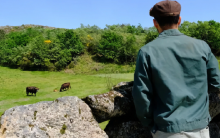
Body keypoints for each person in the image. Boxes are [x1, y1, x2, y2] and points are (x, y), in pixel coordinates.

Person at [132, 0, 220, 138]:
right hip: (200, 128)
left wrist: (149, 123)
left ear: (155, 23)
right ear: (179, 20)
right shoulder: (202, 46)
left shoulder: (147, 51)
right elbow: (216, 83)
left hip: (166, 129)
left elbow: (142, 95)